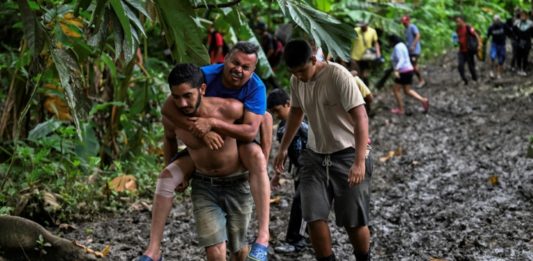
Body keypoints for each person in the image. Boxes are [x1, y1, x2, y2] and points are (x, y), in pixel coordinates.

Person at [141, 42, 271, 261]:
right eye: (235, 62)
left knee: (240, 250)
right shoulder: (201, 77)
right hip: (203, 171)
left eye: (246, 67)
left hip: (236, 150)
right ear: (225, 60)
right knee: (166, 177)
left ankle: (263, 237)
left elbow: (254, 128)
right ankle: (153, 251)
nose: (239, 69)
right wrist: (201, 132)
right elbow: (167, 115)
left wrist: (212, 124)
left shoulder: (251, 92)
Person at [274, 39, 373, 261]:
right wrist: (283, 149)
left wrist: (359, 162)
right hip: (315, 155)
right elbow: (296, 113)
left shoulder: (338, 75)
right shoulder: (296, 80)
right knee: (313, 216)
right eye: (294, 72)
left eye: (301, 70)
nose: (299, 76)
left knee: (353, 221)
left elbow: (361, 117)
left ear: (313, 59)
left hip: (348, 152)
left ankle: (363, 257)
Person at [152, 63, 252, 261]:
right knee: (215, 251)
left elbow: (262, 121)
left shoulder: (230, 109)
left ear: (202, 90)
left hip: (237, 184)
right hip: (204, 185)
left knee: (239, 249)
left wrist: (263, 164)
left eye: (187, 95)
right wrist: (172, 167)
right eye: (176, 97)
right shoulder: (172, 117)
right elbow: (169, 139)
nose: (182, 104)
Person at [267, 88, 309, 254]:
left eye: (278, 110)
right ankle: (306, 236)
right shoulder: (282, 128)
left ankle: (295, 241)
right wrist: (278, 174)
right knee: (304, 203)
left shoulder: (304, 121)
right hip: (299, 169)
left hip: (312, 168)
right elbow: (283, 154)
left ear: (288, 104)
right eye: (273, 112)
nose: (276, 115)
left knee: (301, 203)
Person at [388, 34, 429, 115]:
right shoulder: (402, 45)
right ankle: (423, 100)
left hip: (403, 71)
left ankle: (401, 109)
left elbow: (402, 59)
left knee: (396, 90)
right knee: (407, 90)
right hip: (408, 70)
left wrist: (396, 69)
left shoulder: (397, 47)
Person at [350, 21, 382, 85]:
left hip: (366, 57)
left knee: (365, 76)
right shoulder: (355, 30)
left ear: (367, 25)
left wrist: (378, 54)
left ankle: (367, 91)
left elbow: (376, 43)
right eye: (360, 26)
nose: (361, 27)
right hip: (355, 57)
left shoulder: (372, 31)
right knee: (356, 75)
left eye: (363, 26)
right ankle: (357, 92)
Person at [455, 16, 482, 85]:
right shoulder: (457, 29)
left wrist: (479, 45)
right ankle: (464, 80)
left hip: (469, 50)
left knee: (471, 66)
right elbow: (458, 38)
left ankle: (475, 78)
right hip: (461, 50)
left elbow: (476, 35)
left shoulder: (468, 27)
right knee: (460, 66)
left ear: (462, 21)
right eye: (456, 22)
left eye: (458, 21)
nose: (457, 23)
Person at [401, 15, 426, 88]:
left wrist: (413, 45)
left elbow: (417, 35)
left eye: (405, 22)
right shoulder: (405, 30)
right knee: (411, 66)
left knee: (414, 66)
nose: (404, 24)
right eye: (403, 22)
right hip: (409, 51)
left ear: (408, 21)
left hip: (415, 51)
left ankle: (421, 80)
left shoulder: (412, 27)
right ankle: (411, 81)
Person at [486, 14, 507, 79]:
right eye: (495, 20)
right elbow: (487, 35)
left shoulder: (503, 25)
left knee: (501, 59)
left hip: (502, 44)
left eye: (497, 20)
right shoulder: (491, 27)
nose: (496, 22)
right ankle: (491, 71)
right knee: (493, 57)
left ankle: (498, 73)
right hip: (494, 44)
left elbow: (509, 32)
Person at [513, 10, 533, 76]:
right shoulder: (517, 24)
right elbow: (514, 33)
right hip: (519, 42)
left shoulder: (530, 24)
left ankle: (523, 69)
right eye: (522, 15)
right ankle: (519, 68)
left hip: (527, 42)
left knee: (525, 56)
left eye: (524, 15)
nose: (523, 17)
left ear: (527, 16)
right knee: (518, 56)